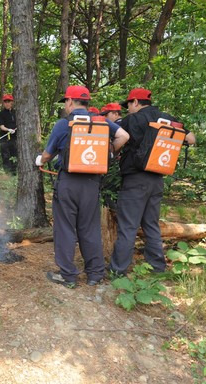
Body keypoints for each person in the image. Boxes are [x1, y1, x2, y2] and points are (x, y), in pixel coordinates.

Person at [35, 86, 129, 288]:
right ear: (86, 103)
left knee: (65, 228)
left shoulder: (64, 124)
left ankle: (68, 276)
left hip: (68, 183)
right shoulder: (102, 122)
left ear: (70, 101)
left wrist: (39, 161)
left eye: (66, 102)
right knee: (90, 228)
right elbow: (125, 136)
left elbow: (48, 155)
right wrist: (108, 152)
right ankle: (95, 274)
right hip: (92, 183)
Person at [109, 88, 196, 276]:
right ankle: (157, 268)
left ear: (135, 102)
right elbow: (191, 139)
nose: (128, 109)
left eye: (129, 105)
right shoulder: (167, 119)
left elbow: (119, 139)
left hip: (134, 179)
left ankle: (118, 270)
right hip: (157, 179)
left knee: (128, 227)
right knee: (151, 225)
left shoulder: (131, 120)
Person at [0, 93, 18, 175]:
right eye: (5, 101)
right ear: (3, 103)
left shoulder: (16, 112)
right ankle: (7, 175)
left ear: (12, 102)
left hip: (14, 139)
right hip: (4, 139)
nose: (7, 103)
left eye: (9, 101)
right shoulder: (1, 114)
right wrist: (8, 129)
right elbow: (1, 126)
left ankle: (14, 174)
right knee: (5, 157)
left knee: (14, 155)